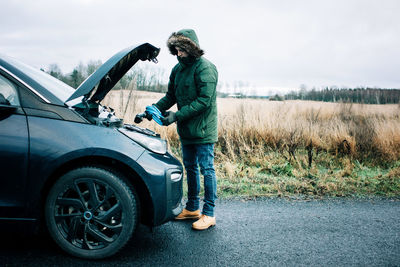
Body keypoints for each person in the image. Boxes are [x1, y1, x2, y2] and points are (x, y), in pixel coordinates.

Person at [155, 29, 218, 230]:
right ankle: (192, 208)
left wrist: (176, 116)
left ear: (192, 48)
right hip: (187, 129)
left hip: (203, 129)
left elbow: (204, 101)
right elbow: (170, 96)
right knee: (190, 167)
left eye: (182, 49)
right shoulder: (177, 69)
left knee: (206, 169)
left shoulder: (206, 68)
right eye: (176, 49)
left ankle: (209, 214)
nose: (179, 53)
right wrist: (154, 109)